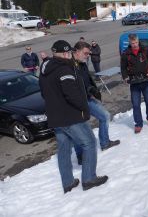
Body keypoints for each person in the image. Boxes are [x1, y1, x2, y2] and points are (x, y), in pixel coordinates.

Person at [39, 40, 108, 193]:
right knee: (89, 142)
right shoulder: (64, 69)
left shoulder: (45, 69)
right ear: (65, 53)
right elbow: (72, 95)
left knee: (64, 150)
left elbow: (44, 94)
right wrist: (84, 108)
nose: (70, 55)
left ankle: (68, 182)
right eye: (69, 52)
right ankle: (89, 179)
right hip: (70, 116)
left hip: (56, 118)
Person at [72, 41, 120, 156]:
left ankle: (104, 143)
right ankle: (80, 155)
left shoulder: (82, 62)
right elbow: (73, 85)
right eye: (86, 53)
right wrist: (88, 90)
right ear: (77, 52)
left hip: (88, 98)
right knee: (79, 128)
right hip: (77, 101)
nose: (88, 56)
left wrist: (93, 89)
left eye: (89, 53)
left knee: (105, 116)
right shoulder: (69, 65)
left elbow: (86, 78)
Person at [120, 34, 148, 134]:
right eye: (132, 43)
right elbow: (123, 68)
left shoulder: (145, 50)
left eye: (136, 42)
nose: (135, 45)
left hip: (146, 81)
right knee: (136, 105)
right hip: (134, 83)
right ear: (129, 43)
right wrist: (125, 77)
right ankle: (138, 124)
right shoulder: (126, 54)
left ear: (138, 41)